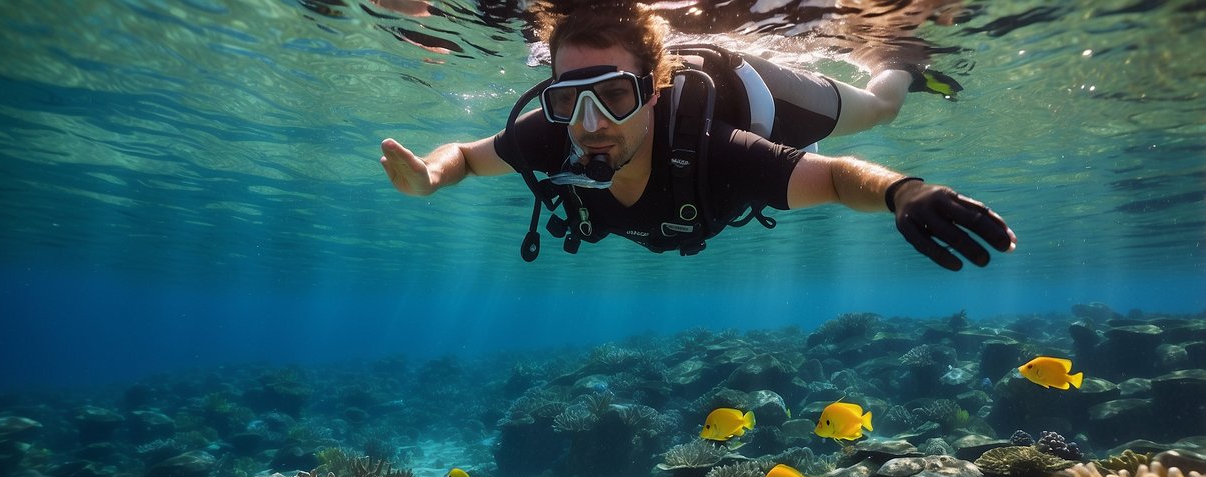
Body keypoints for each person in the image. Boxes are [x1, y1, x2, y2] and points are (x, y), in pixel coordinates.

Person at [379, 0, 1015, 270]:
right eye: (569, 97)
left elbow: (841, 176)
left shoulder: (715, 151)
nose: (590, 123)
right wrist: (432, 176)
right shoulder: (557, 133)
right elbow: (463, 154)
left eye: (616, 95)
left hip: (756, 94)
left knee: (880, 109)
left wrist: (903, 192)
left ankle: (902, 62)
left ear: (652, 90)